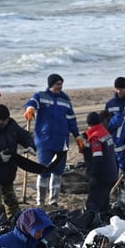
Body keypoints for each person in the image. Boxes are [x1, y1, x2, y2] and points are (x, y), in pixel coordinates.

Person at [0, 104, 61, 223]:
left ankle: (15, 223)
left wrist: (30, 146)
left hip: (8, 170)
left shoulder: (11, 124)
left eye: (6, 120)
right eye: (2, 120)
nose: (5, 122)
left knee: (12, 203)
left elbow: (24, 135)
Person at [24, 74, 81, 205]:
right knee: (44, 170)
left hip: (62, 141)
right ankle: (40, 201)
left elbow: (71, 120)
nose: (59, 87)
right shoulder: (41, 96)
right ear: (51, 85)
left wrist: (77, 135)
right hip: (45, 141)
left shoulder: (65, 99)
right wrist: (30, 109)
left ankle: (53, 200)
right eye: (57, 84)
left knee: (58, 172)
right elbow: (32, 102)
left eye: (61, 84)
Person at [80, 111, 118, 215]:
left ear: (88, 124)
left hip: (102, 177)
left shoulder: (95, 137)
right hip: (111, 174)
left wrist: (93, 176)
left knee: (93, 204)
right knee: (104, 205)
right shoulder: (105, 132)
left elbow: (97, 158)